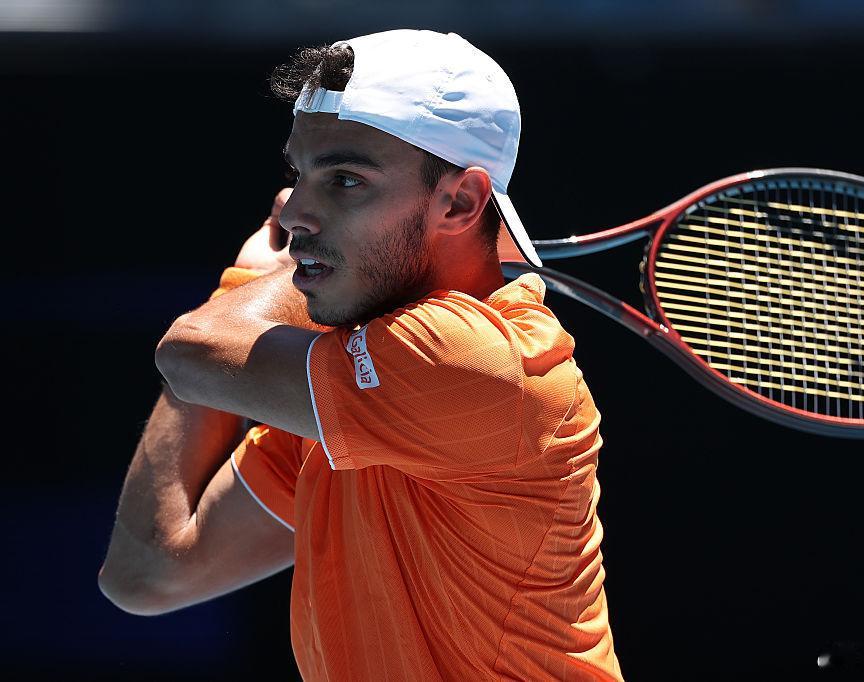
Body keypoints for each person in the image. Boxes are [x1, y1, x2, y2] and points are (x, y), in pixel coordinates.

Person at [98, 29, 623, 681]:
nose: (295, 211)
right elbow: (149, 574)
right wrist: (255, 317)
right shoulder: (347, 385)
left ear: (460, 201)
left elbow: (194, 350)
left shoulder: (472, 358)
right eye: (299, 175)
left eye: (345, 180)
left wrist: (258, 283)